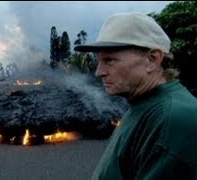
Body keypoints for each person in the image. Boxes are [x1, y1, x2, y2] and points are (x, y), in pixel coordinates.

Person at [74, 12, 197, 179]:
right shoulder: (145, 103)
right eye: (99, 61)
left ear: (152, 59)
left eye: (110, 60)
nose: (98, 72)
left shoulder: (173, 119)